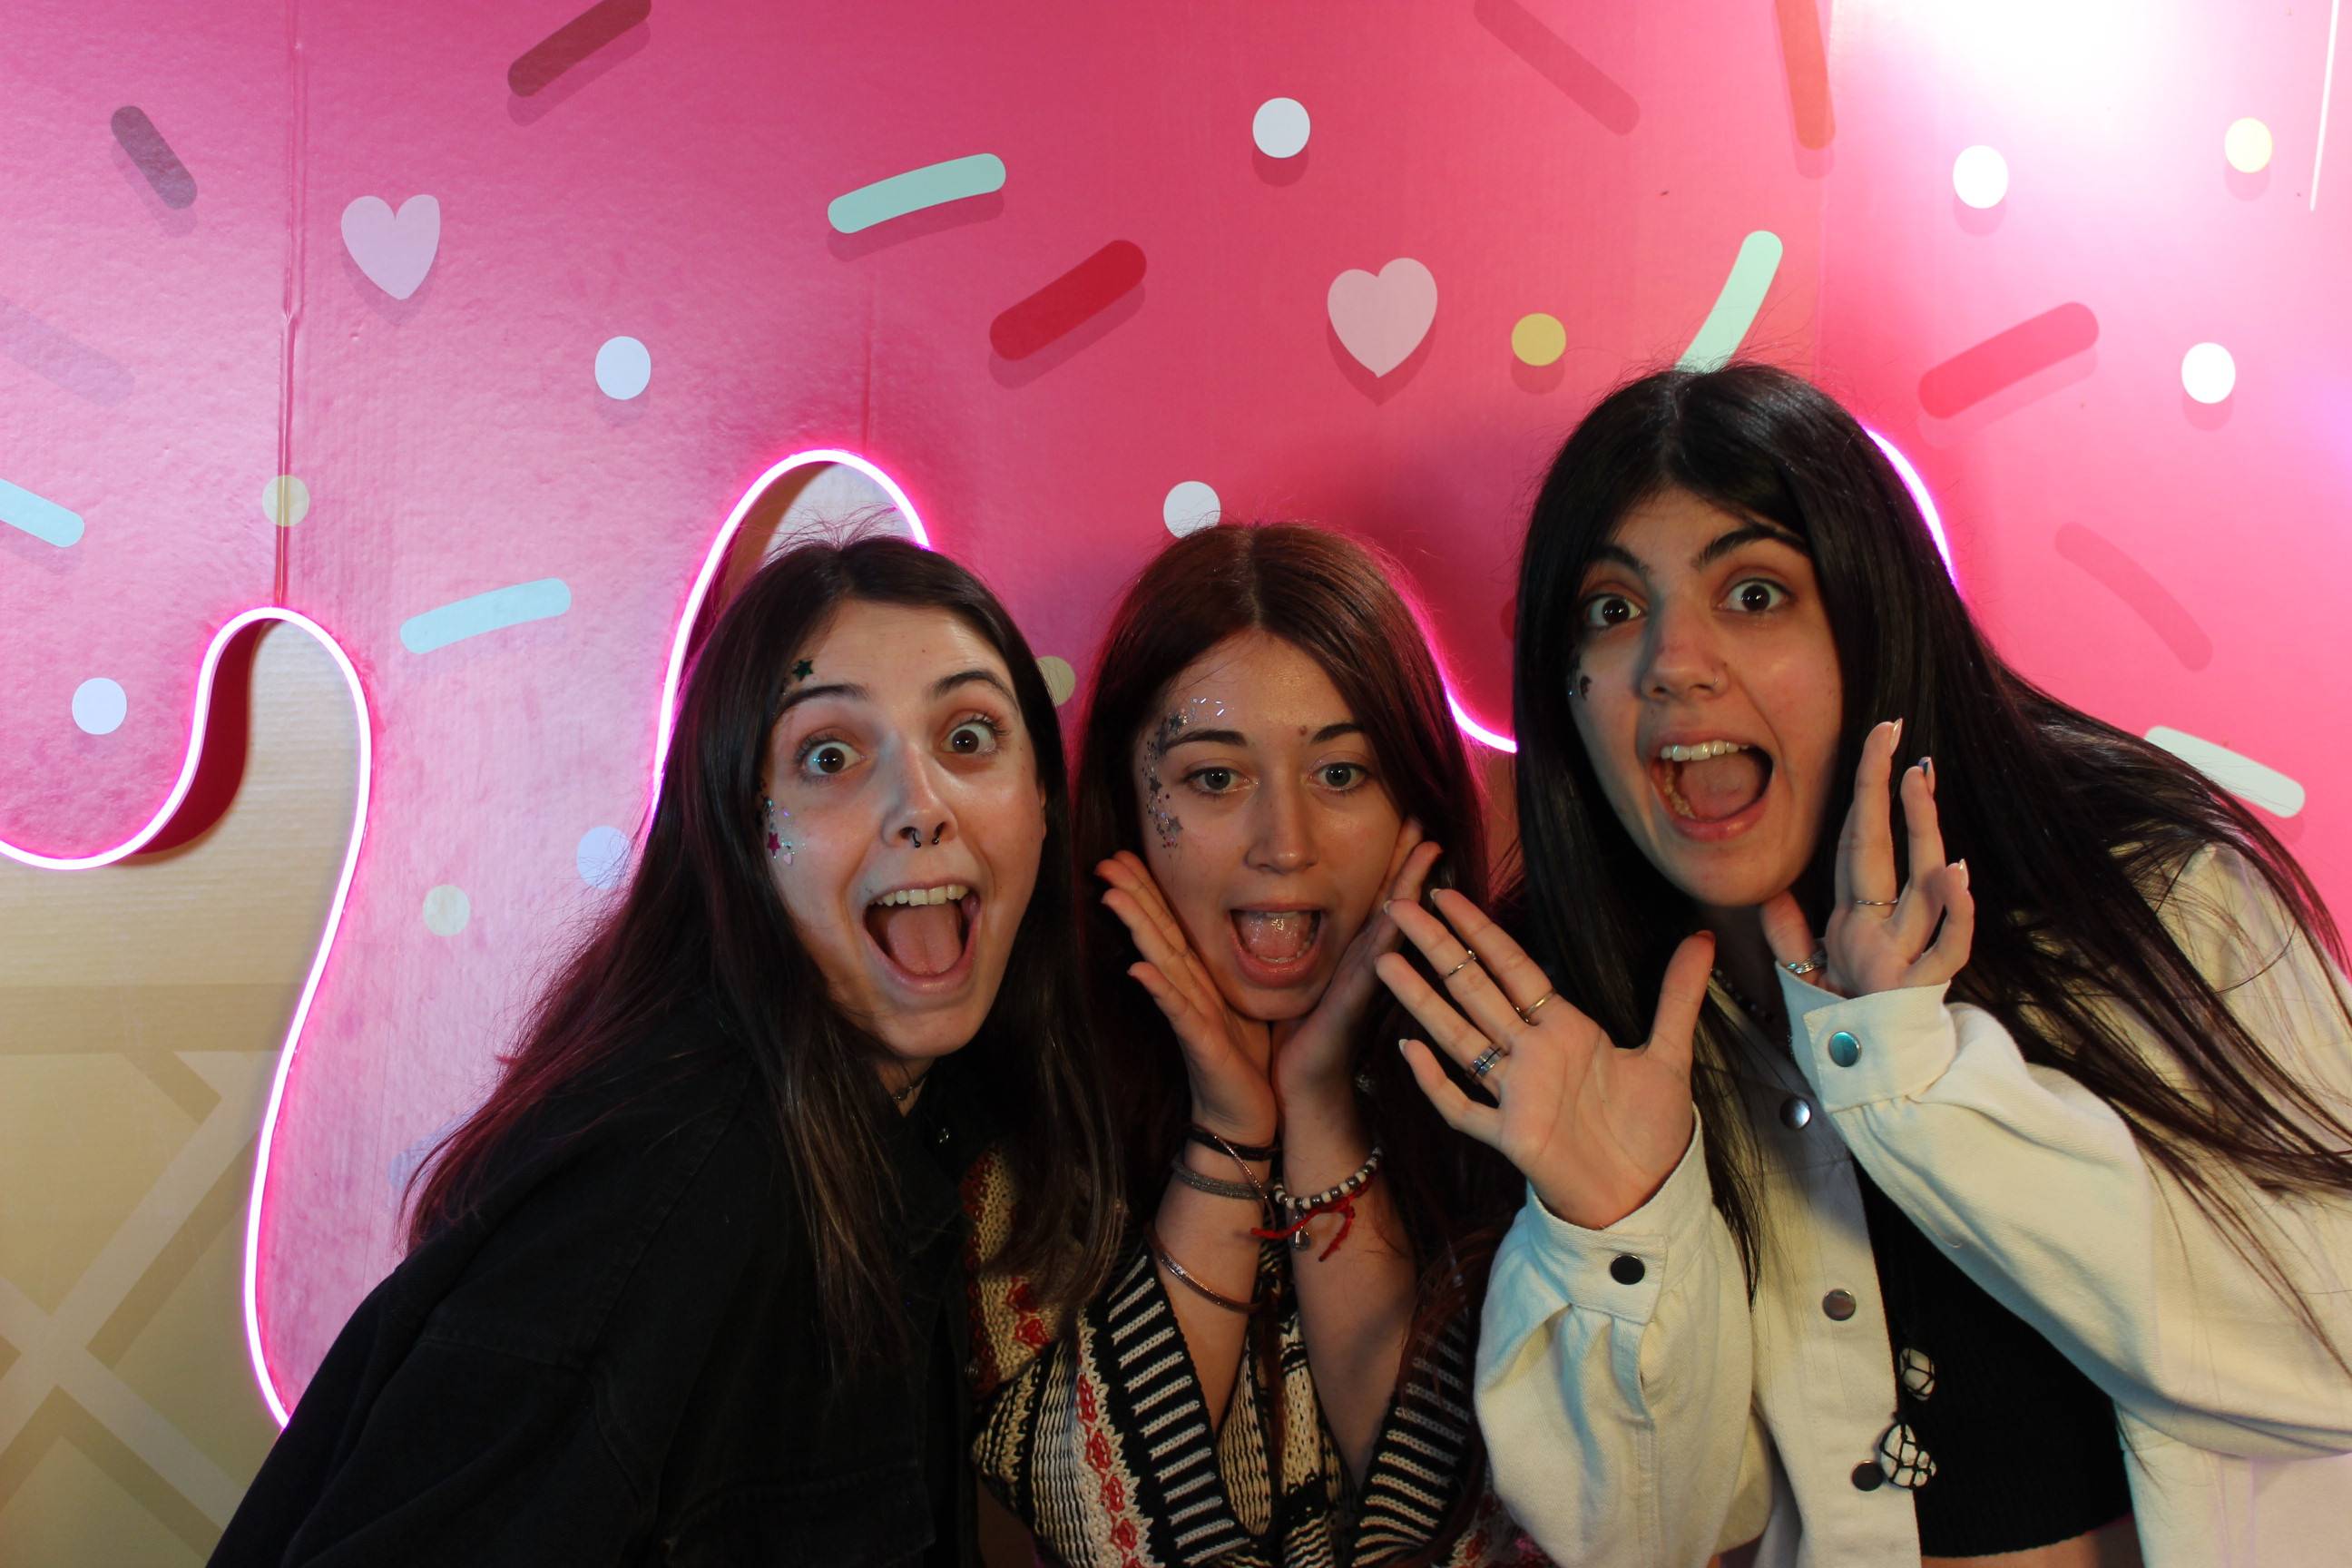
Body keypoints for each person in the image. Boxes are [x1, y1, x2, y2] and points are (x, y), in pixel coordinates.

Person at [1377, 364, 2352, 1567]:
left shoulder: (2157, 895)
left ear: (1874, 621)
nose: (1674, 661)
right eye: (1613, 609)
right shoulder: (1577, 1034)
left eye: (1754, 593)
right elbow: (1650, 1537)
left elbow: (2325, 1356)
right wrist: (1621, 1219)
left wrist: (1908, 1077)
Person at [210, 536, 1122, 1566]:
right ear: (735, 832)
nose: (922, 807)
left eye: (968, 736)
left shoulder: (924, 1135)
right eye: (829, 757)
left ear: (1043, 803)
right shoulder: (675, 1178)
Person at [967, 522, 1546, 1566]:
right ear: (1125, 808)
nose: (1285, 844)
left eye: (1342, 774)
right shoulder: (1023, 1128)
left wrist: (1317, 1106)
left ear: (1416, 807)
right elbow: (1096, 1530)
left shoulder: (1515, 1107)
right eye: (1213, 779)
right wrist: (1232, 1136)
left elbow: (1471, 1534)